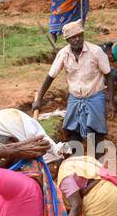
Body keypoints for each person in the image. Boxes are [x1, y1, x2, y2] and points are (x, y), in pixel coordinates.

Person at [34, 19, 110, 148]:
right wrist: (39, 99)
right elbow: (50, 76)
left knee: (96, 133)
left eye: (79, 36)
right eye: (73, 37)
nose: (77, 39)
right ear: (67, 40)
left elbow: (109, 74)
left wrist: (111, 102)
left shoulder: (96, 51)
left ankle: (97, 162)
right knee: (73, 131)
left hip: (95, 97)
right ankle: (75, 162)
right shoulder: (63, 54)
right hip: (75, 98)